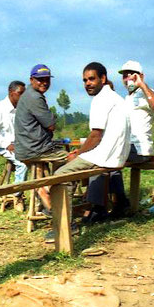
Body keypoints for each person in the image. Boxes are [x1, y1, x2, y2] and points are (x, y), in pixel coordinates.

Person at [42, 62, 131, 241]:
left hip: (105, 156)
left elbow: (95, 136)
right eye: (84, 80)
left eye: (91, 79)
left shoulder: (101, 99)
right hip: (115, 156)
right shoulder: (115, 97)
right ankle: (87, 210)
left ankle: (66, 226)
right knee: (71, 167)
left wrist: (78, 153)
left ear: (103, 79)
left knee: (60, 176)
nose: (87, 84)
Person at [86, 60, 154, 222]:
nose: (128, 79)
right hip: (127, 147)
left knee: (99, 161)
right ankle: (120, 203)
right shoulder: (127, 98)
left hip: (139, 149)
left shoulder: (146, 92)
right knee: (109, 163)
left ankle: (98, 209)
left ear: (140, 76)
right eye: (125, 76)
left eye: (132, 75)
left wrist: (142, 84)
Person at [14, 64, 68, 211]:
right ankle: (50, 194)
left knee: (58, 163)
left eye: (46, 79)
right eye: (40, 79)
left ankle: (44, 189)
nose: (44, 82)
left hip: (26, 149)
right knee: (71, 161)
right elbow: (51, 125)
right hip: (36, 150)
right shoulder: (35, 97)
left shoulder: (28, 95)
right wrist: (52, 117)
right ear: (31, 80)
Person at [0, 80, 27, 211]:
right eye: (20, 93)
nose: (22, 97)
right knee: (23, 163)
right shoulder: (0, 108)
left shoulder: (22, 107)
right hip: (5, 146)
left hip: (22, 145)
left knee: (41, 162)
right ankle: (18, 195)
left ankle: (42, 197)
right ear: (11, 93)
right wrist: (6, 144)